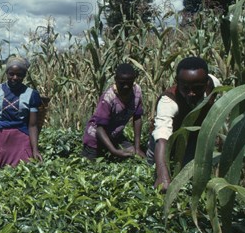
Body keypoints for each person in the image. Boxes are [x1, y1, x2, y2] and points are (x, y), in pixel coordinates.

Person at [147, 56, 220, 190]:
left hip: (191, 140)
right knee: (152, 172)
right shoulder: (168, 101)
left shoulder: (214, 85)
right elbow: (162, 137)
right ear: (177, 82)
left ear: (206, 83)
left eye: (197, 88)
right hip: (163, 144)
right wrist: (162, 174)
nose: (191, 93)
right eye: (185, 88)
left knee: (187, 179)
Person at [0, 56, 43, 167]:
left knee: (23, 169)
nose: (15, 77)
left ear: (24, 75)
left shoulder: (31, 94)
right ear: (6, 73)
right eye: (11, 74)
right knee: (2, 171)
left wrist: (35, 150)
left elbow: (33, 125)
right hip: (1, 137)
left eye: (19, 75)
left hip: (22, 136)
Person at [81, 63, 145, 160]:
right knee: (91, 167)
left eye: (129, 83)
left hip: (115, 136)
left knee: (136, 156)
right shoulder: (109, 98)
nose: (126, 87)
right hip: (95, 139)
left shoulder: (137, 92)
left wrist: (137, 148)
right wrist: (114, 151)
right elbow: (99, 129)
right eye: (122, 83)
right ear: (115, 80)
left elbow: (137, 118)